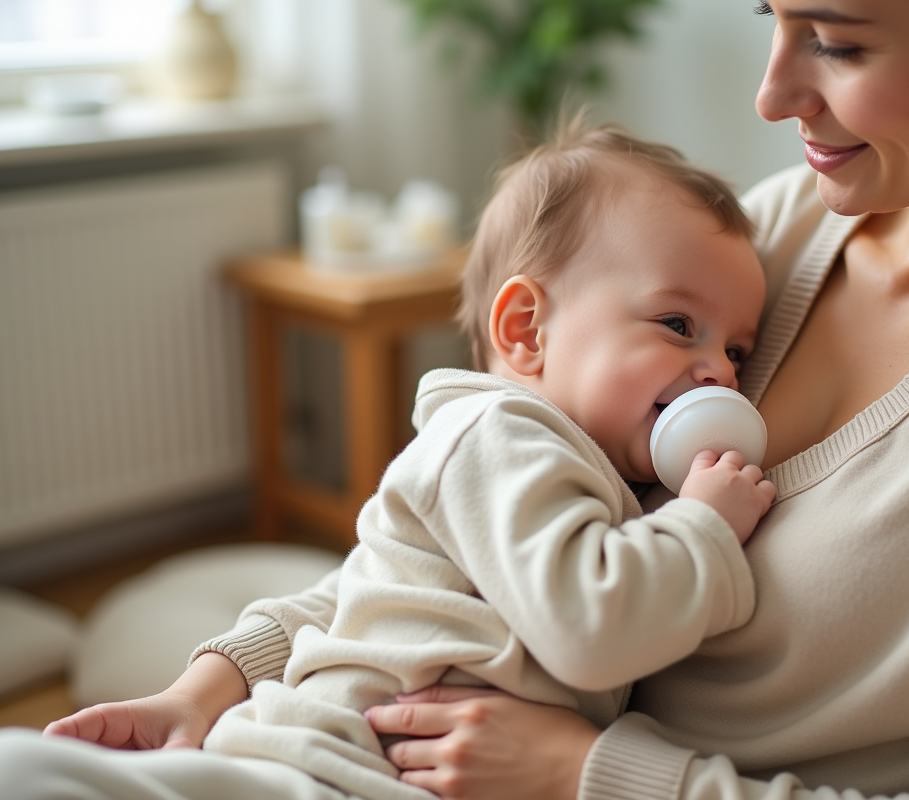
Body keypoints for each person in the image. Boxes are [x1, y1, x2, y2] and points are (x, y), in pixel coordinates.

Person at [5, 0, 909, 798]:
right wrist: (223, 673)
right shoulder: (775, 235)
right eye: (769, 19)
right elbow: (486, 523)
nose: (773, 95)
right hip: (365, 735)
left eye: (837, 40)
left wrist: (596, 770)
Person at [0, 122, 775, 799]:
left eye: (737, 349)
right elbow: (591, 629)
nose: (721, 372)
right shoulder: (500, 436)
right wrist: (703, 523)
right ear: (527, 331)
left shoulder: (593, 478)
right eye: (678, 324)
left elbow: (356, 595)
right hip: (326, 770)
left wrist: (197, 691)